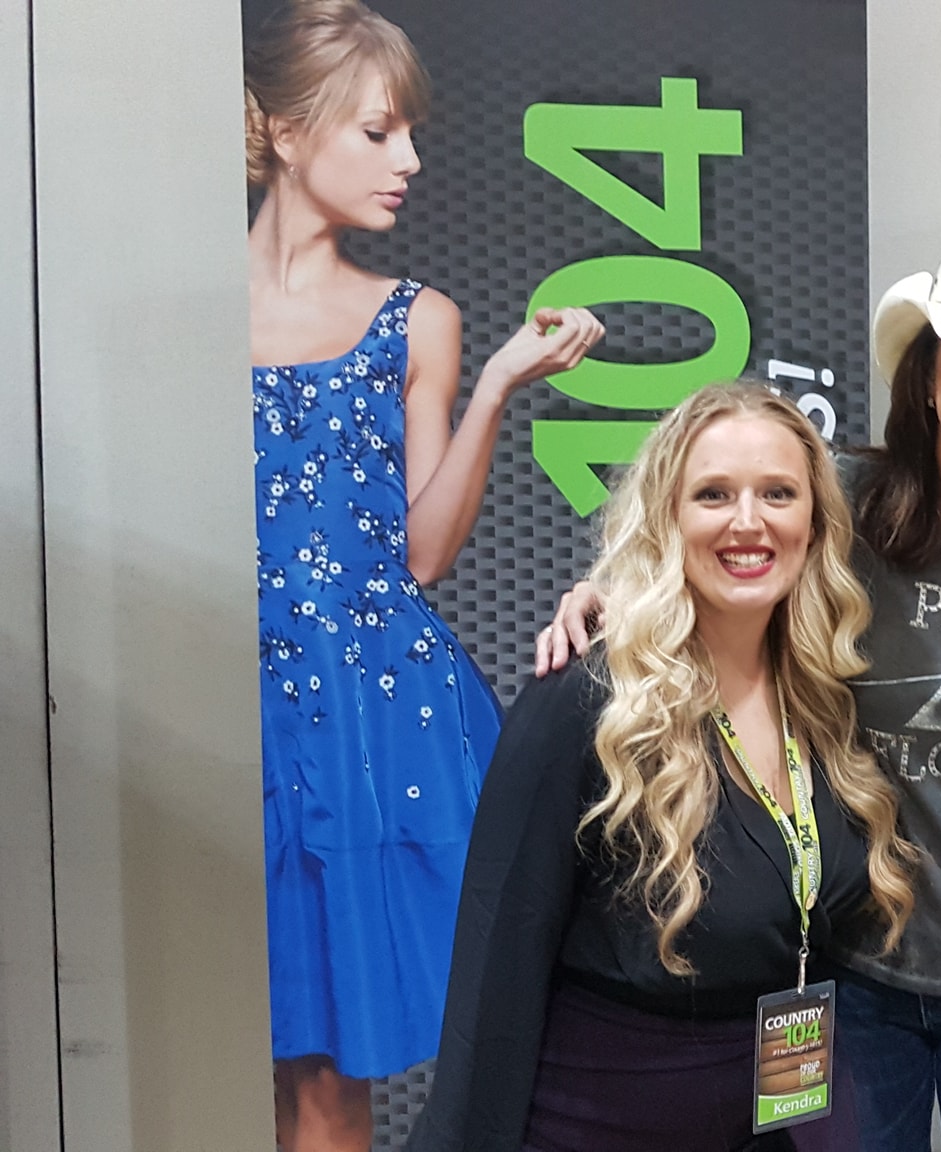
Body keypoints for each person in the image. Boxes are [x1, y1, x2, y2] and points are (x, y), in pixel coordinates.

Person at [537, 226, 941, 1151]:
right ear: (926, 376)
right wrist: (613, 593)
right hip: (850, 970)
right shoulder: (840, 503)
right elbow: (723, 540)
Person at [245, 3, 603, 1149]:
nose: (407, 160)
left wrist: (495, 384)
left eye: (410, 133)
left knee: (325, 1072)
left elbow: (426, 556)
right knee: (234, 1045)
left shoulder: (418, 320)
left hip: (376, 722)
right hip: (235, 706)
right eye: (377, 132)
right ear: (283, 131)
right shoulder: (186, 311)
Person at [408, 384, 918, 1152]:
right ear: (666, 517)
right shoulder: (587, 700)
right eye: (713, 494)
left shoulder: (825, 702)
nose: (748, 521)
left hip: (780, 1120)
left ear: (814, 521)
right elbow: (497, 964)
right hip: (601, 1125)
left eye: (778, 493)